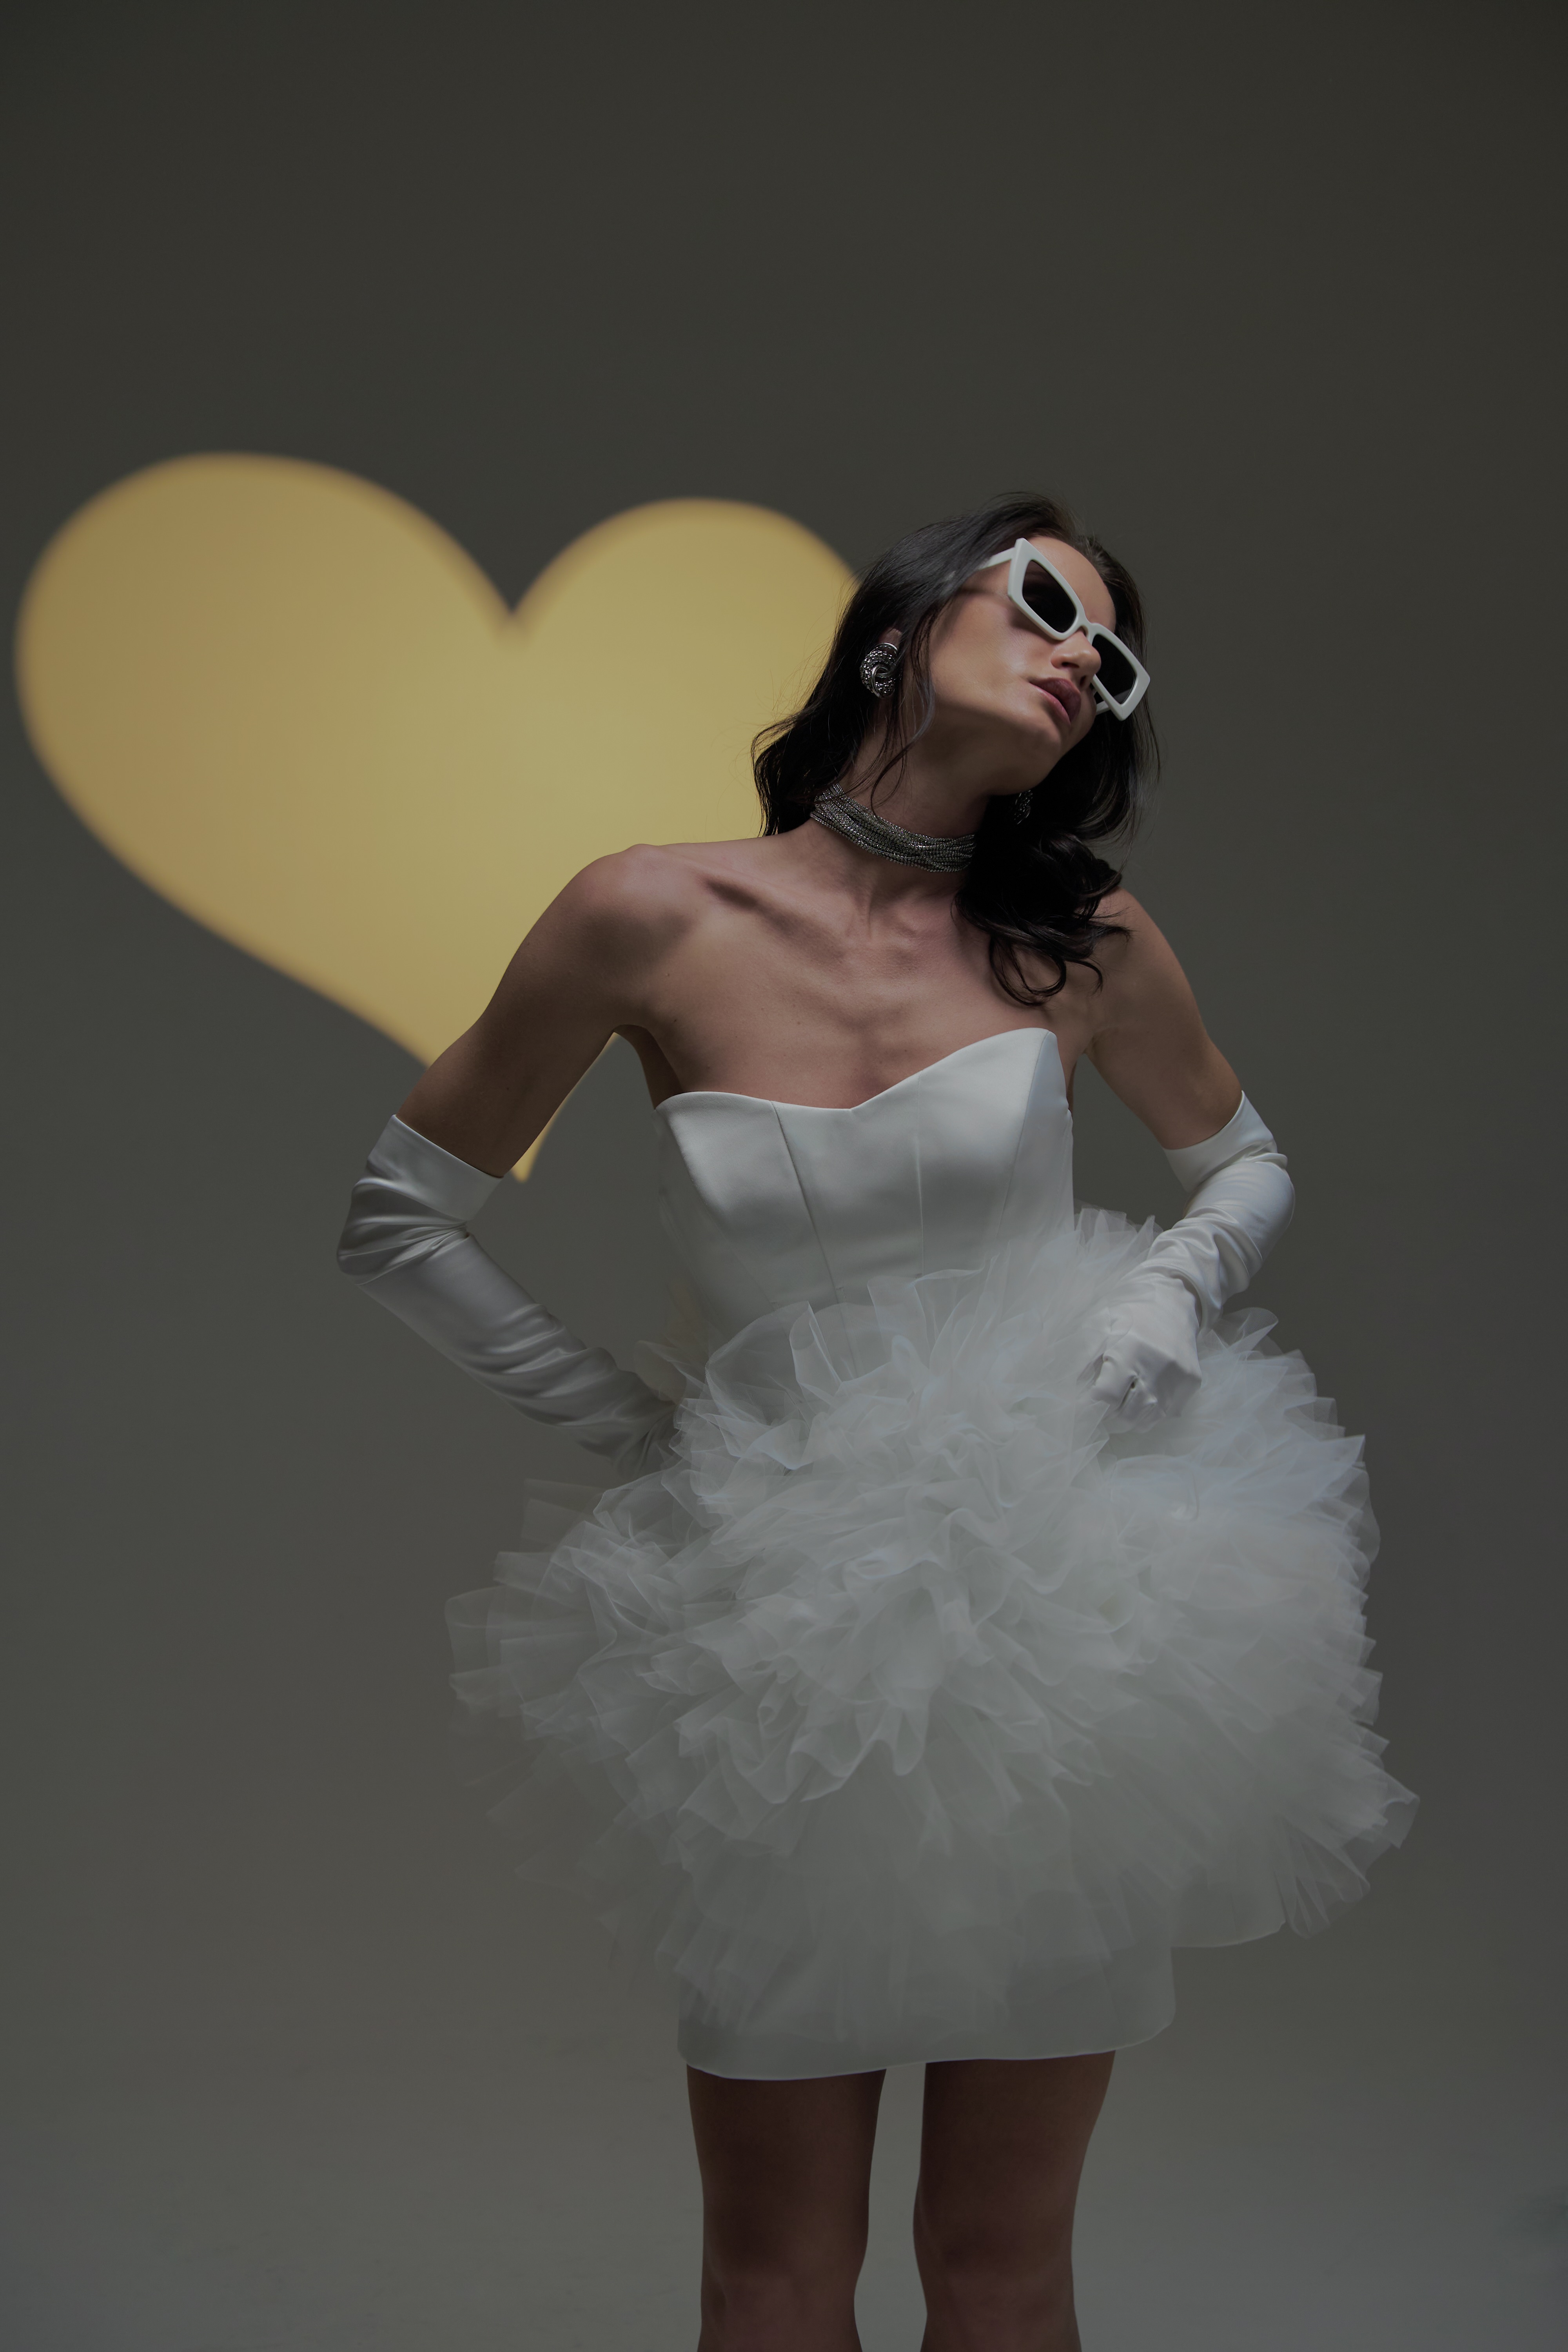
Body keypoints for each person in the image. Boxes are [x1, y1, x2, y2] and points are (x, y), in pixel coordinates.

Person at [338, 494, 1417, 2352]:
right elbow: (394, 1218)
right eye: (1047, 602)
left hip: (1064, 1627)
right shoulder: (645, 913)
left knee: (1003, 2270)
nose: (1082, 658)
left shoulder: (1077, 939)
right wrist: (632, 1425)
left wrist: (1164, 1293)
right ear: (899, 627)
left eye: (1112, 655)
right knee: (771, 2277)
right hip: (770, 1653)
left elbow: (1242, 1163)